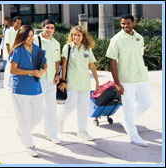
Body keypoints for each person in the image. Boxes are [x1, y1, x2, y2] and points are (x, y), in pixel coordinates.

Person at [105, 14, 151, 147]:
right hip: (126, 79)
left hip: (141, 76)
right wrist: (117, 83)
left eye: (128, 24)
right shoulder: (116, 40)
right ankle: (133, 135)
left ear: (133, 23)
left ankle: (126, 121)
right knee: (129, 107)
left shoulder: (139, 37)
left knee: (145, 103)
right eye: (123, 24)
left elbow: (139, 55)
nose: (125, 26)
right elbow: (112, 62)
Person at [9, 25, 47, 157]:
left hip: (35, 88)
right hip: (20, 89)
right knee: (24, 118)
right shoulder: (18, 50)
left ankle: (22, 131)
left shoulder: (36, 49)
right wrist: (31, 72)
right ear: (22, 36)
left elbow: (45, 63)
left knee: (37, 116)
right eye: (28, 36)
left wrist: (42, 71)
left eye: (32, 36)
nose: (31, 38)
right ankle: (29, 145)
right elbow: (13, 70)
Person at [57, 26, 101, 141]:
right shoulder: (67, 48)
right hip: (72, 82)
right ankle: (59, 119)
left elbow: (92, 65)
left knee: (83, 108)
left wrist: (97, 82)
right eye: (74, 35)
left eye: (78, 35)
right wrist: (63, 81)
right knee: (70, 106)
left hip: (85, 83)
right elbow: (64, 66)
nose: (76, 37)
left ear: (83, 37)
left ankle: (82, 131)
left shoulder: (87, 49)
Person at [33, 19, 61, 144]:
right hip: (38, 79)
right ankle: (25, 127)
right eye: (47, 27)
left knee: (51, 107)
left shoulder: (56, 43)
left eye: (52, 28)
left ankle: (51, 133)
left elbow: (56, 60)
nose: (49, 30)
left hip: (51, 79)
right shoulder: (35, 40)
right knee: (35, 107)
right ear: (42, 27)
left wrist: (57, 74)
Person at [3, 16, 22, 88]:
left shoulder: (20, 31)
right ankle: (6, 84)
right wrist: (9, 54)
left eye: (20, 23)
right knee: (8, 69)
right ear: (13, 22)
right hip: (10, 53)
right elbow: (7, 43)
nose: (19, 24)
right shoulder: (9, 31)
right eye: (17, 23)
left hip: (18, 53)